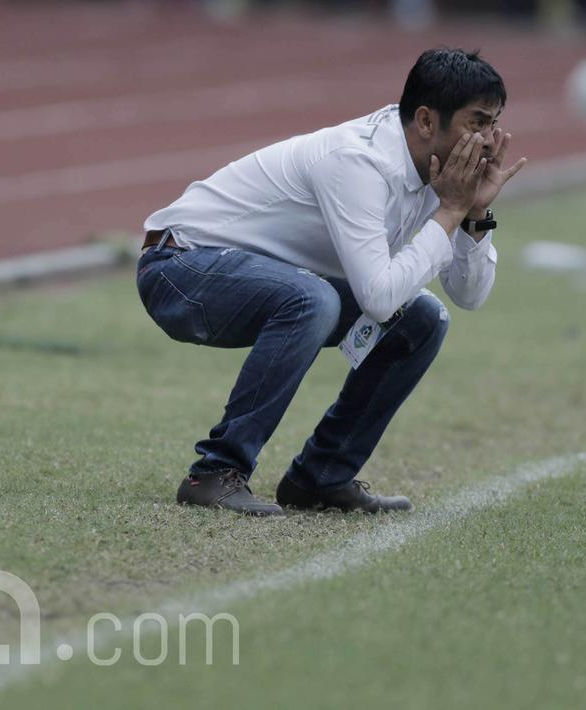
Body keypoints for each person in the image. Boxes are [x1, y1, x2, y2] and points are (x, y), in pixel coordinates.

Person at [136, 48, 528, 516]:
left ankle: (320, 478)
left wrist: (475, 214)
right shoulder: (358, 160)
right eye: (477, 123)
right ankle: (215, 472)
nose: (488, 142)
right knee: (313, 300)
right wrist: (450, 211)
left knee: (422, 319)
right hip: (179, 267)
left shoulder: (440, 174)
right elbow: (379, 298)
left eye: (494, 124)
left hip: (255, 278)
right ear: (426, 121)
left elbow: (468, 295)